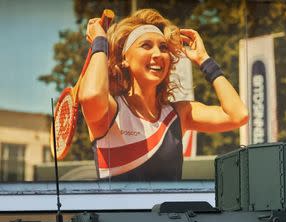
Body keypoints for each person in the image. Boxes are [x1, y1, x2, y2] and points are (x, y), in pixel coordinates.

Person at [80, 8, 248, 181]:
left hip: (170, 209)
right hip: (121, 209)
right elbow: (91, 95)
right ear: (125, 59)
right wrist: (100, 42)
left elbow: (238, 115)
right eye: (146, 45)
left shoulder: (179, 114)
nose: (158, 54)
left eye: (163, 47)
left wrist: (204, 60)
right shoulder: (111, 110)